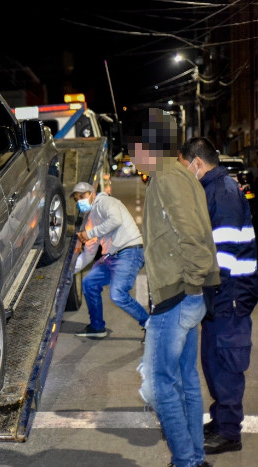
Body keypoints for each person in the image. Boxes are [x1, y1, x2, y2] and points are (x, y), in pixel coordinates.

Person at [130, 108, 220, 467]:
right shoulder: (181, 176)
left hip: (177, 296)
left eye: (133, 147)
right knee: (186, 380)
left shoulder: (166, 178)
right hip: (188, 295)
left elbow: (194, 236)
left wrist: (191, 283)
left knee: (160, 385)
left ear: (145, 145)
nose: (131, 155)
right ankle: (194, 458)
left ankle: (185, 461)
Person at [177, 137, 258, 455]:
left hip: (230, 290)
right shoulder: (209, 190)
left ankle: (229, 433)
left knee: (226, 359)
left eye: (185, 166)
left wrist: (204, 289)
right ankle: (222, 420)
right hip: (219, 291)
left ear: (197, 163)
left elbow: (222, 253)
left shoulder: (222, 192)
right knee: (212, 358)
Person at [70, 181, 148, 341]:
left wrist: (90, 233)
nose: (80, 202)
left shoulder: (105, 202)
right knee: (89, 283)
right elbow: (88, 254)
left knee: (118, 294)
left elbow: (116, 220)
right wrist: (69, 272)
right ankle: (97, 327)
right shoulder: (91, 218)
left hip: (129, 250)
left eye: (82, 196)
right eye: (77, 199)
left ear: (92, 193)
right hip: (111, 256)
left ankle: (151, 326)